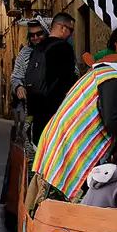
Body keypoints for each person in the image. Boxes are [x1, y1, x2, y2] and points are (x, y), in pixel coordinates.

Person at [30, 62, 117, 206]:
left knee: (53, 188)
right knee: (58, 195)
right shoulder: (114, 78)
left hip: (65, 133)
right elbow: (113, 121)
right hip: (71, 138)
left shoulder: (111, 74)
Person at [25, 12, 78, 144]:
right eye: (70, 30)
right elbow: (69, 81)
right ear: (62, 28)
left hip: (38, 114)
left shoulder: (37, 49)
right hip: (56, 113)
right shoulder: (64, 48)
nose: (71, 34)